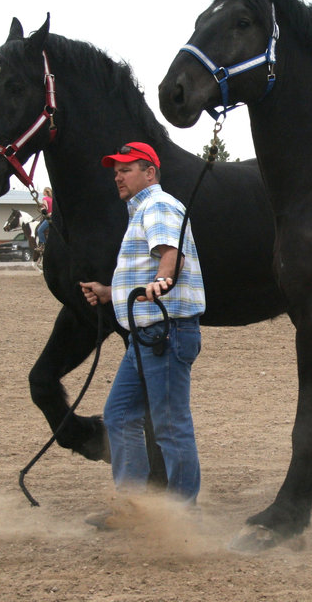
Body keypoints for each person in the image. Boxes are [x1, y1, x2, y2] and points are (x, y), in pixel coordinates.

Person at [79, 142, 205, 529]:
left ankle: (180, 517)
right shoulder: (140, 212)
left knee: (169, 425)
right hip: (146, 336)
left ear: (150, 172)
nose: (117, 175)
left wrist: (163, 279)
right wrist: (108, 293)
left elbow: (172, 254)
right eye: (115, 170)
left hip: (164, 333)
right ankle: (134, 509)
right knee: (119, 415)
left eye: (127, 169)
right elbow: (149, 264)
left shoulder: (159, 205)